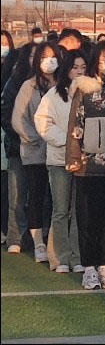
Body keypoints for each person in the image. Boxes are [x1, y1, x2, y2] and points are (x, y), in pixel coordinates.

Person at [66, 40, 105, 289]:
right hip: (88, 164)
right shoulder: (85, 88)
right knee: (89, 217)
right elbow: (75, 125)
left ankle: (104, 265)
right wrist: (73, 157)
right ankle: (88, 267)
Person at [34, 49, 86, 273]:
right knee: (60, 209)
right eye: (75, 68)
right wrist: (67, 141)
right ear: (67, 70)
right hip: (59, 159)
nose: (79, 72)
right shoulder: (53, 95)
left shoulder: (91, 93)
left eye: (83, 68)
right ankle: (60, 257)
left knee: (78, 210)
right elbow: (43, 122)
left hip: (85, 159)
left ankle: (78, 257)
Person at [12, 41, 62, 263]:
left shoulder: (63, 84)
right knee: (36, 197)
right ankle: (38, 242)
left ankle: (54, 240)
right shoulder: (28, 86)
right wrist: (36, 137)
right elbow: (18, 119)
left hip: (59, 150)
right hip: (35, 151)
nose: (49, 62)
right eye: (44, 57)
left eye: (53, 57)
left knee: (56, 199)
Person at [1, 43, 36, 255]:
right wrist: (22, 136)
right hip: (18, 146)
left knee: (40, 197)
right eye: (32, 55)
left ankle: (36, 237)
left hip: (44, 147)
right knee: (17, 195)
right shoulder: (13, 83)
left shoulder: (51, 83)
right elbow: (5, 114)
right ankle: (15, 236)